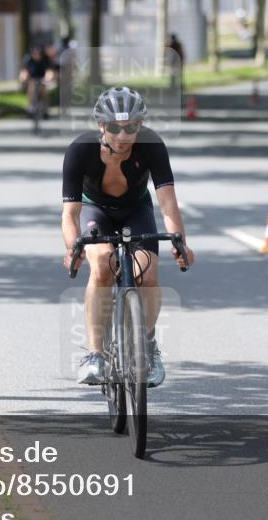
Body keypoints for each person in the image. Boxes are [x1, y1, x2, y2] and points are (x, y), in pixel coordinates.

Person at [62, 87, 195, 387]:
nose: (122, 135)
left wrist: (180, 243)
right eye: (114, 128)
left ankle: (147, 346)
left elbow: (168, 204)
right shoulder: (80, 150)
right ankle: (95, 354)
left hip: (136, 210)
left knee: (147, 273)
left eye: (131, 127)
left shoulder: (152, 145)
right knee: (103, 267)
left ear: (141, 126)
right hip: (95, 211)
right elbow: (70, 214)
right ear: (101, 127)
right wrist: (73, 247)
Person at [19, 45, 55, 118]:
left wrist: (48, 78)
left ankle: (45, 108)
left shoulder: (45, 59)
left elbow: (49, 71)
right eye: (34, 53)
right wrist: (23, 78)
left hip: (42, 78)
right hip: (32, 78)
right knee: (31, 88)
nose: (36, 55)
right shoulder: (28, 59)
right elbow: (24, 71)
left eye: (38, 54)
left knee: (44, 90)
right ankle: (31, 107)